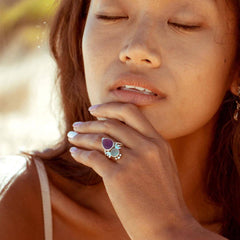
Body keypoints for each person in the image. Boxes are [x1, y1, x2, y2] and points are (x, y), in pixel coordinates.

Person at [0, 0, 240, 239]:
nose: (136, 49)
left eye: (183, 24)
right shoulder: (15, 197)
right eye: (111, 16)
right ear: (80, 34)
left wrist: (170, 229)